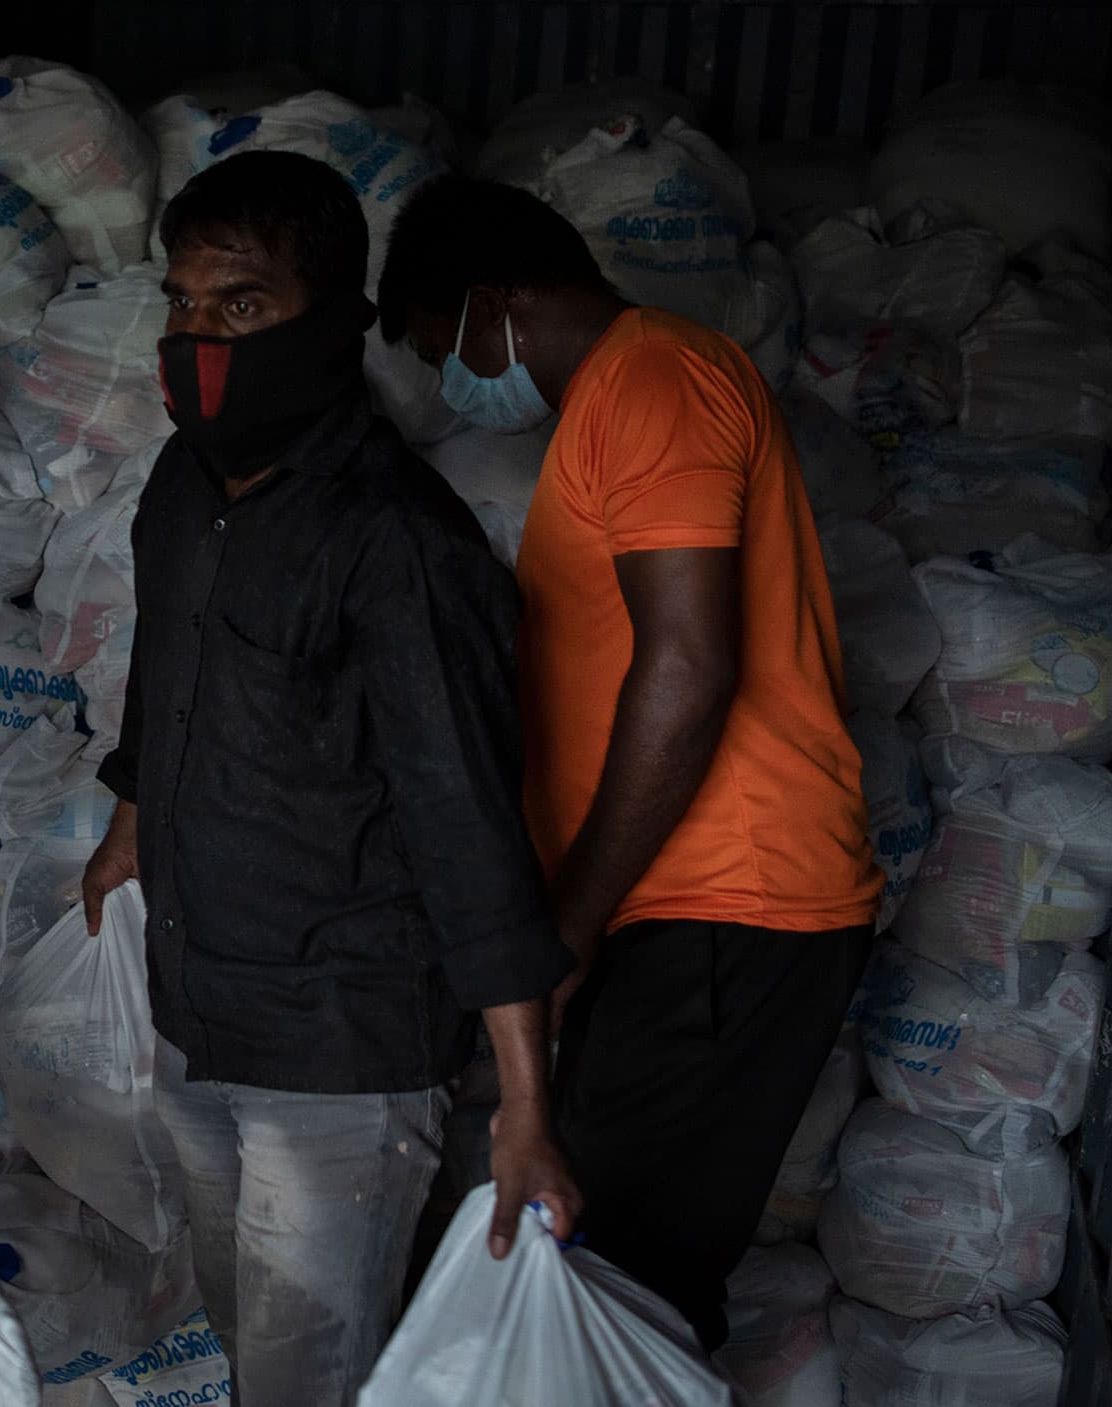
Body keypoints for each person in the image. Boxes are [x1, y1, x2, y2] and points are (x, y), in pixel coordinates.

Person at [78, 151, 582, 1406]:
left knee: (311, 1379)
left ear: (336, 320)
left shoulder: (396, 539)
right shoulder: (180, 492)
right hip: (196, 1003)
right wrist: (131, 822)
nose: (200, 336)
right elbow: (165, 673)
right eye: (183, 304)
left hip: (341, 1045)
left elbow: (467, 820)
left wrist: (524, 1103)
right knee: (248, 1347)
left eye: (241, 305)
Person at [378, 175, 883, 1350]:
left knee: (622, 1294)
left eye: (438, 345)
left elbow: (687, 665)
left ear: (496, 304)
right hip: (687, 910)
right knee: (605, 1263)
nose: (449, 379)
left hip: (730, 905)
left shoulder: (654, 380)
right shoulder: (617, 398)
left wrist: (570, 923)